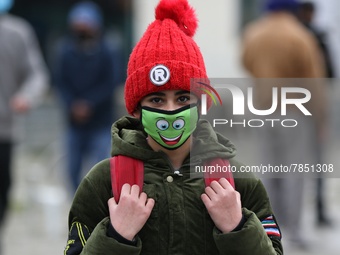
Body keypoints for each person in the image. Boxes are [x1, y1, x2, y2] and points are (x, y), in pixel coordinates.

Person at [64, 0, 283, 254]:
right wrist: (116, 236)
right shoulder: (102, 184)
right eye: (157, 99)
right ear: (135, 109)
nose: (170, 111)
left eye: (182, 98)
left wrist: (237, 228)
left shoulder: (239, 183)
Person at [241, 0, 327, 250]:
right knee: (294, 172)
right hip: (293, 111)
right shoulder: (300, 36)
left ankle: (269, 227)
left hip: (262, 107)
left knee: (268, 169)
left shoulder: (253, 32)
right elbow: (314, 80)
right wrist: (320, 117)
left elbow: (245, 61)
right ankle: (295, 230)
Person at [53, 1, 123, 192]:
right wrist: (72, 105)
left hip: (100, 121)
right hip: (74, 123)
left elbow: (112, 82)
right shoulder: (66, 50)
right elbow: (60, 82)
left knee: (101, 168)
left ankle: (100, 206)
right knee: (72, 170)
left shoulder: (107, 49)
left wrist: (89, 104)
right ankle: (79, 207)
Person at [0, 0, 49, 249]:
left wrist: (26, 97)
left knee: (3, 188)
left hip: (5, 129)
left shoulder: (17, 33)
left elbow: (37, 74)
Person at [297, 1, 334, 226]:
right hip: (312, 107)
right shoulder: (316, 37)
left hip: (290, 108)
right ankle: (318, 211)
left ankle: (294, 215)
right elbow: (328, 74)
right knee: (317, 162)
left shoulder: (294, 35)